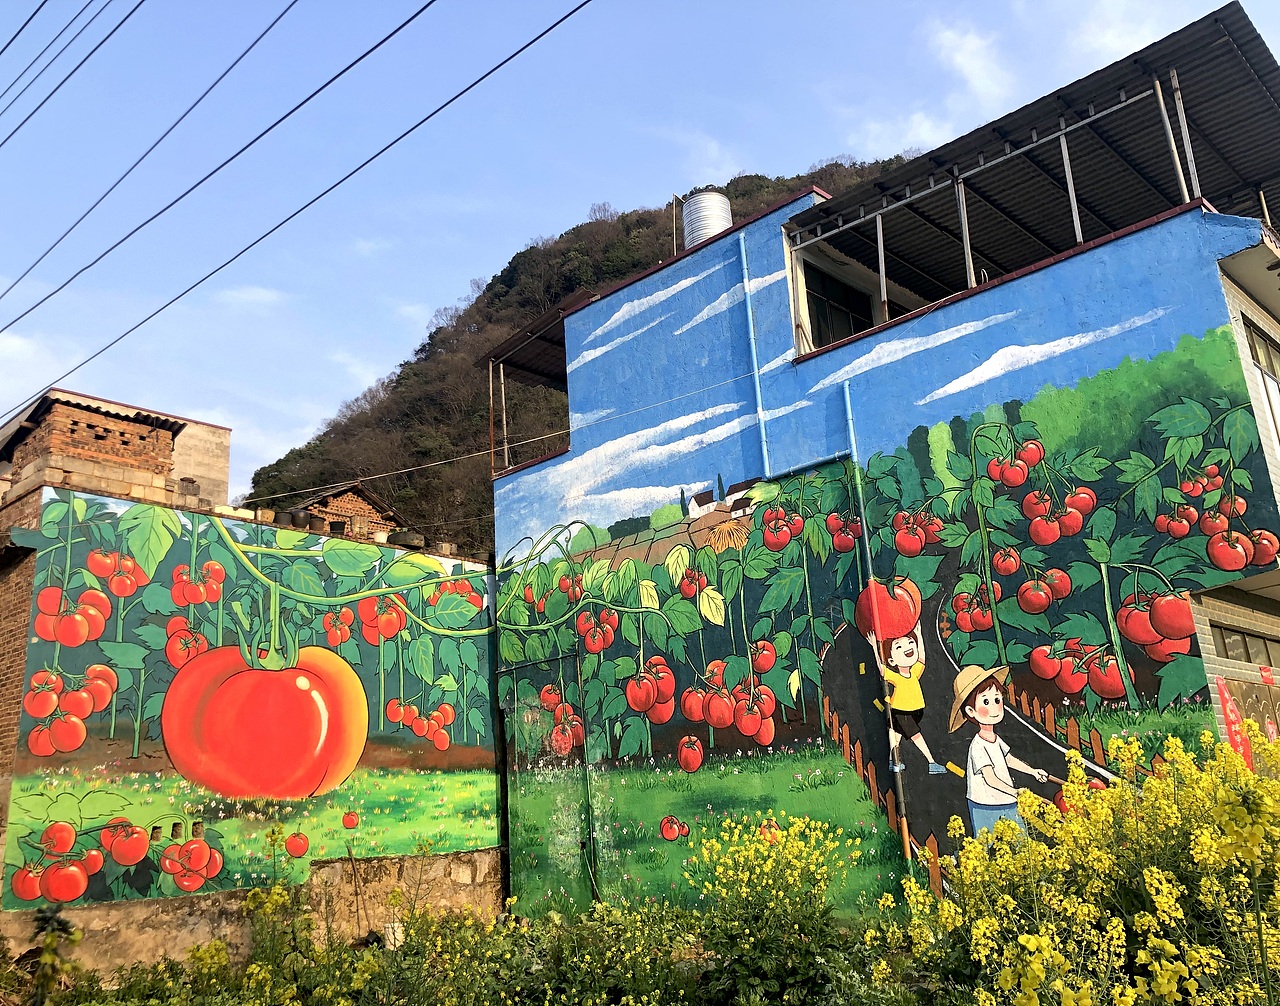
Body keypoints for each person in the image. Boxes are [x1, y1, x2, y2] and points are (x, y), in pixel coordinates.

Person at [948, 664, 1049, 835]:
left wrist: (1033, 771)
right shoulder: (977, 746)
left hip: (1007, 800)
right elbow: (990, 778)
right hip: (984, 804)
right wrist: (1016, 791)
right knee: (985, 845)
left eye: (997, 699)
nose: (995, 707)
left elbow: (1008, 759)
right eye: (986, 702)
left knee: (1021, 842)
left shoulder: (995, 739)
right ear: (971, 711)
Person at [867, 623, 946, 775]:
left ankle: (893, 762)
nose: (907, 648)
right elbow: (882, 669)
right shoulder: (895, 677)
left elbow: (922, 657)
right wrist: (874, 648)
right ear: (892, 661)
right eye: (898, 647)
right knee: (916, 736)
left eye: (910, 642)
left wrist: (919, 634)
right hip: (902, 712)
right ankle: (931, 762)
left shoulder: (915, 671)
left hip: (915, 711)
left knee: (895, 738)